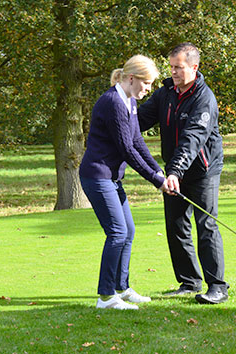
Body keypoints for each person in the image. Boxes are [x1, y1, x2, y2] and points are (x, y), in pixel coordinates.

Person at [138, 42, 229, 304]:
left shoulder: (204, 98)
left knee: (206, 225)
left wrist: (175, 170)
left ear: (194, 67)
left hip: (203, 170)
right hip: (175, 171)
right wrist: (117, 119)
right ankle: (189, 282)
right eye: (171, 67)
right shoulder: (166, 93)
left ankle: (217, 287)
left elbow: (192, 139)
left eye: (179, 67)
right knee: (176, 225)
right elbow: (141, 118)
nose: (174, 72)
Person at [79, 55, 170, 310]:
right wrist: (156, 181)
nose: (149, 89)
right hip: (97, 176)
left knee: (127, 231)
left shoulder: (128, 100)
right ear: (132, 78)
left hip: (112, 178)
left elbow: (137, 141)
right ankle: (106, 297)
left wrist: (157, 170)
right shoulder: (112, 103)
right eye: (147, 83)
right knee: (117, 233)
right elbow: (127, 150)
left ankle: (122, 287)